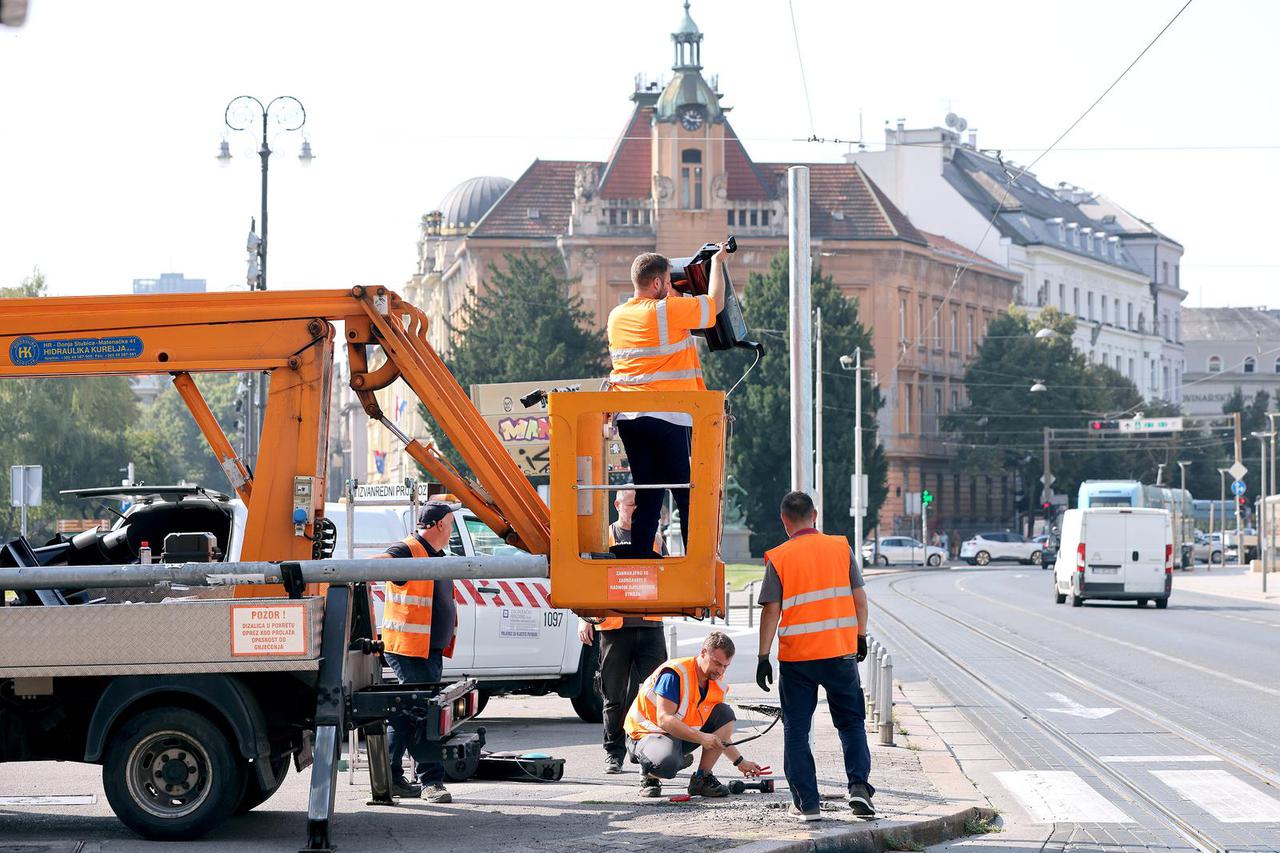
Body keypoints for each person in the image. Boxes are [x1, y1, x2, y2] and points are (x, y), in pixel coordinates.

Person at [756, 490, 874, 822]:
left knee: (796, 729)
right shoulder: (840, 547)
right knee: (851, 724)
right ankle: (860, 789)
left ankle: (807, 803)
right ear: (815, 515)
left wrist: (763, 656)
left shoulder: (779, 557)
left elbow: (771, 611)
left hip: (797, 661)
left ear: (784, 521)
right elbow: (860, 599)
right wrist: (860, 635)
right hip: (839, 652)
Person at [606, 247, 727, 557]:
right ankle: (696, 559)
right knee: (685, 492)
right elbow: (714, 307)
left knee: (649, 491)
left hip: (630, 419)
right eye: (668, 284)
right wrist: (717, 264)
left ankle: (641, 554)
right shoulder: (666, 311)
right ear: (657, 284)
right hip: (668, 416)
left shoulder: (616, 316)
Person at [374, 496, 461, 803]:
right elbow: (375, 566)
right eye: (450, 524)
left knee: (405, 715)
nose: (452, 529)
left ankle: (391, 776)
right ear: (438, 525)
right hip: (407, 648)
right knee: (426, 712)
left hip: (428, 649)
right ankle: (431, 781)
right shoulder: (407, 549)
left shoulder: (437, 553)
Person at [577, 488, 667, 773]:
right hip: (615, 627)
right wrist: (584, 618)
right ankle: (613, 752)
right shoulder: (604, 539)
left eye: (640, 505)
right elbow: (588, 581)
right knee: (613, 694)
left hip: (650, 624)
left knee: (655, 692)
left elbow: (667, 577)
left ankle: (645, 749)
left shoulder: (654, 539)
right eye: (631, 504)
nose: (637, 510)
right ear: (617, 505)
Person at [623, 631, 768, 798]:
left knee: (724, 713)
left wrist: (740, 762)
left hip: (677, 735)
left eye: (725, 666)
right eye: (716, 663)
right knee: (667, 764)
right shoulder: (676, 674)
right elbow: (664, 719)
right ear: (703, 653)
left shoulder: (716, 681)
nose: (720, 671)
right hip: (645, 734)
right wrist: (701, 738)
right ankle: (650, 775)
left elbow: (721, 736)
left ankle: (701, 779)